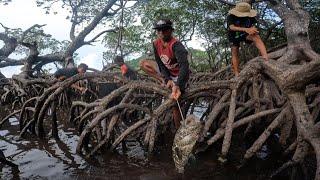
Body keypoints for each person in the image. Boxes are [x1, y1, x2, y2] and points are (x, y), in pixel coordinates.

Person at [140, 19, 190, 129]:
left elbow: (184, 67)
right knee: (143, 63)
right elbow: (160, 64)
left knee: (174, 103)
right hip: (167, 72)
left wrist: (177, 85)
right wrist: (167, 79)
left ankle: (179, 130)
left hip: (180, 74)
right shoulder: (156, 43)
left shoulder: (177, 46)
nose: (161, 32)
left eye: (164, 30)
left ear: (170, 31)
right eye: (158, 30)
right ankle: (163, 81)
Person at [227, 1, 268, 76]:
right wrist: (245, 29)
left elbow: (252, 25)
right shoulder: (231, 16)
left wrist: (253, 29)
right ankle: (237, 73)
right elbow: (231, 27)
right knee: (235, 51)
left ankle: (266, 59)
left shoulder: (250, 16)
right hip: (233, 35)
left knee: (256, 37)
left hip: (245, 34)